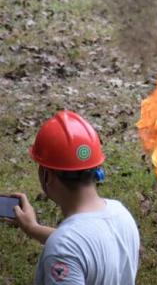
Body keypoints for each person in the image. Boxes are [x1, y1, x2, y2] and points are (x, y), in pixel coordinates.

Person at [8, 110, 140, 285]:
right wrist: (33, 228)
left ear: (48, 176)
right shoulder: (121, 213)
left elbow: (72, 247)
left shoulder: (62, 249)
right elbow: (85, 244)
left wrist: (56, 244)